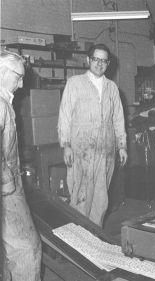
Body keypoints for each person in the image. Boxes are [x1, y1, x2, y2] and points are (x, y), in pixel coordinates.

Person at [58, 43, 128, 226]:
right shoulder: (75, 83)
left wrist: (122, 145)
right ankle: (79, 236)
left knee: (101, 196)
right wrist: (65, 145)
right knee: (79, 193)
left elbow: (118, 118)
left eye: (104, 61)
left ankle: (95, 235)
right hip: (81, 150)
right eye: (96, 59)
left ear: (108, 64)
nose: (99, 64)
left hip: (105, 151)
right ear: (88, 60)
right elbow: (64, 116)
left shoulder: (112, 88)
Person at [0, 50, 42, 281]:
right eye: (18, 76)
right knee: (28, 249)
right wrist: (7, 181)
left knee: (8, 251)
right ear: (3, 72)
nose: (22, 82)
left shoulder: (5, 100)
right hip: (6, 188)